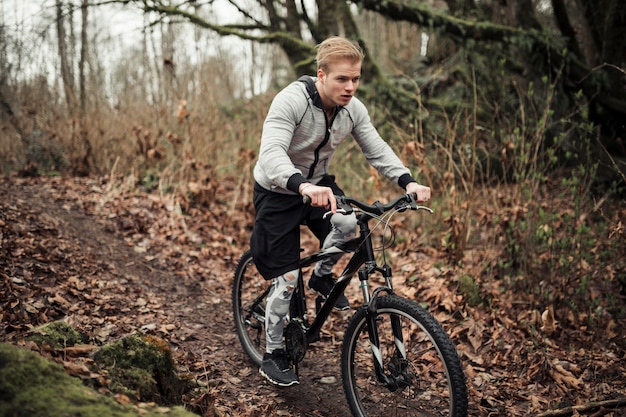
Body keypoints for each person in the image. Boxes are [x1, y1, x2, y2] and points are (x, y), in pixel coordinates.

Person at [250, 36, 431, 387]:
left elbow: (376, 149)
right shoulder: (291, 101)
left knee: (350, 222)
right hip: (279, 190)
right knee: (286, 279)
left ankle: (321, 275)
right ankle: (273, 354)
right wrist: (301, 185)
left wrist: (407, 180)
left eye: (356, 79)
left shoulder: (353, 109)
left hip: (320, 185)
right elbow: (271, 154)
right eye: (342, 79)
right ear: (321, 75)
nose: (350, 87)